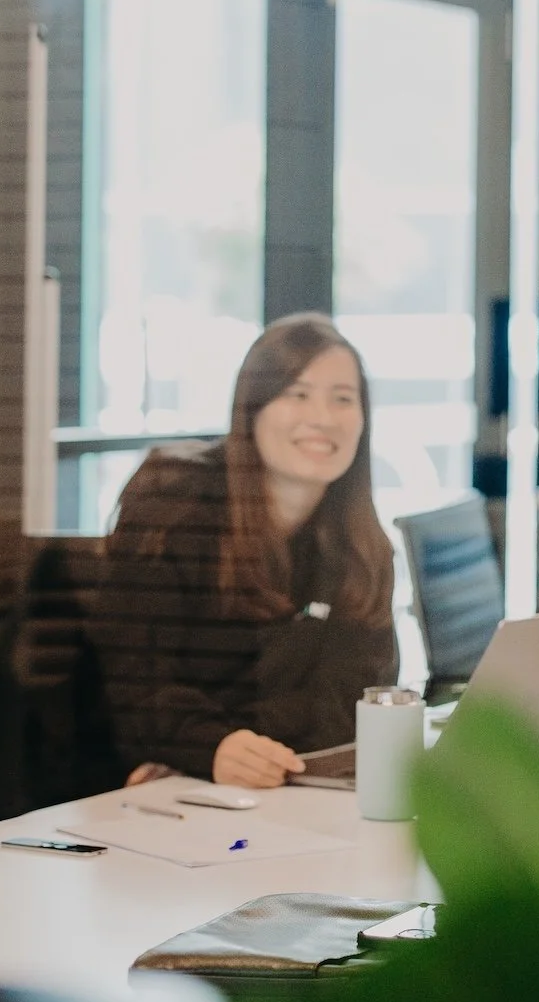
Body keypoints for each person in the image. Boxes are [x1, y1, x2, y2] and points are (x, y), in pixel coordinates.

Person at [91, 313, 398, 789]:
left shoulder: (361, 542)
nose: (322, 418)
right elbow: (135, 684)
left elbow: (354, 700)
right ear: (252, 408)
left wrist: (251, 744)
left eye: (343, 399)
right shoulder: (176, 504)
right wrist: (208, 747)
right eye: (297, 394)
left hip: (295, 790)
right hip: (170, 798)